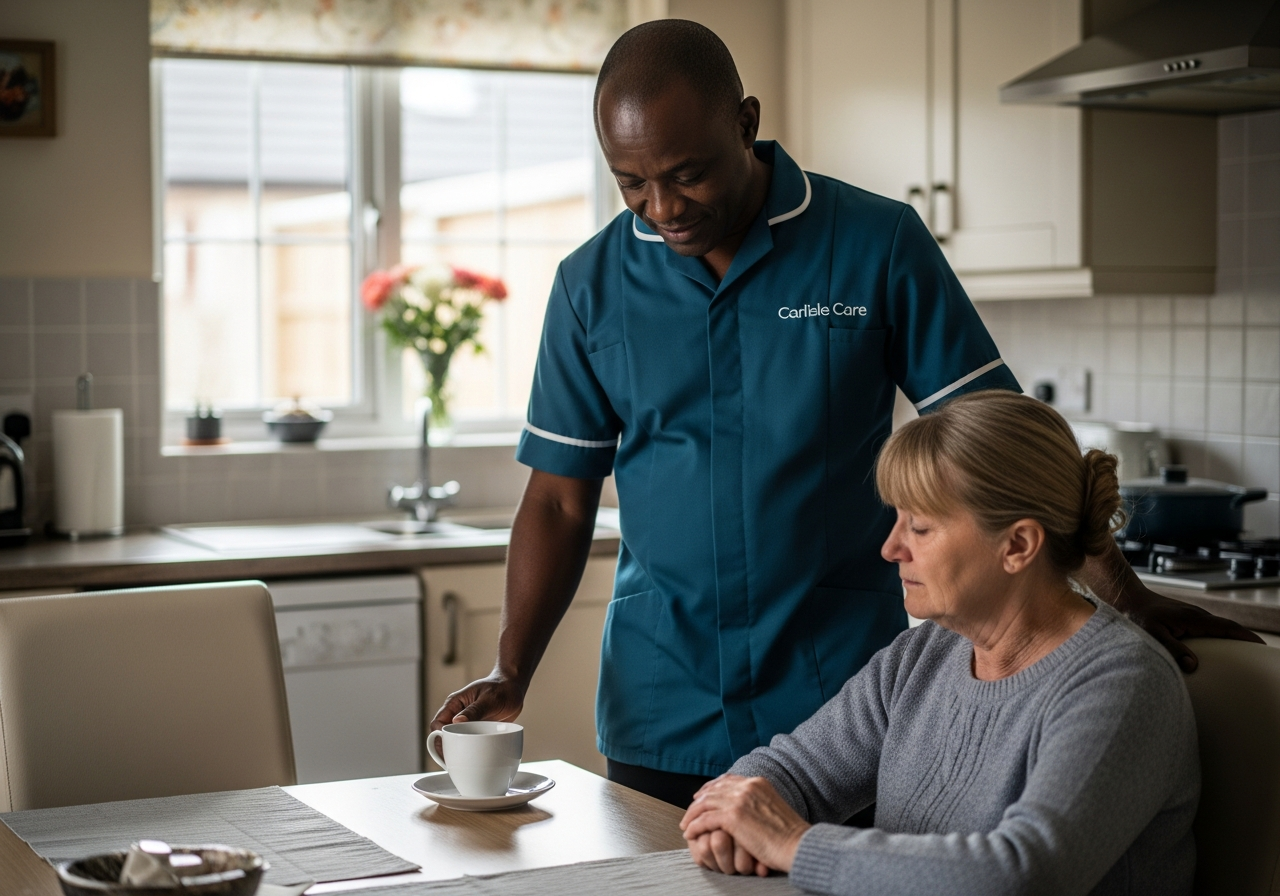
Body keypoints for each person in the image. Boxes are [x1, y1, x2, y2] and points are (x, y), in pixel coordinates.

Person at [430, 19, 1253, 807]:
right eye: (632, 183)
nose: (663, 207)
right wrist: (511, 670)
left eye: (687, 173)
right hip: (662, 703)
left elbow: (1008, 446)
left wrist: (1123, 593)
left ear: (746, 123)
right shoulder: (590, 285)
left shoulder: (875, 243)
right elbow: (558, 499)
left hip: (844, 702)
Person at [679, 390, 1200, 895]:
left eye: (921, 527)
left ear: (1017, 544)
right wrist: (728, 816)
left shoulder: (1124, 684)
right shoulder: (924, 654)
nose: (890, 548)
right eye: (897, 519)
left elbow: (1023, 875)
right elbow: (795, 771)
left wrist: (791, 843)